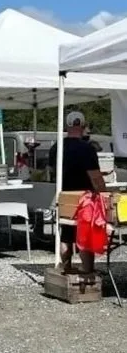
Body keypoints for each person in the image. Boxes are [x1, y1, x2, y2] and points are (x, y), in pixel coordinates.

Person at [49, 111, 106, 274]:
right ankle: (88, 270)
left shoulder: (56, 147)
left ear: (67, 125)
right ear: (83, 126)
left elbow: (51, 171)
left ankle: (66, 267)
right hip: (85, 197)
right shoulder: (87, 149)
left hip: (64, 195)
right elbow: (95, 176)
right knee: (85, 235)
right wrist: (104, 193)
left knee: (66, 234)